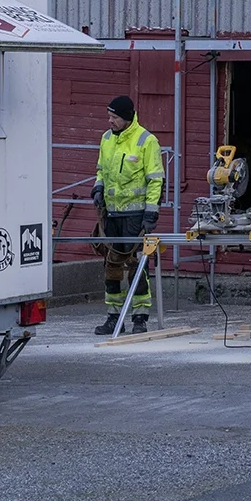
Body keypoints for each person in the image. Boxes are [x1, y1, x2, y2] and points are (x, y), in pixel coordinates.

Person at [94, 94, 162, 333]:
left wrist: (151, 214)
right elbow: (101, 169)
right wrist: (98, 187)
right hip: (112, 213)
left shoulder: (146, 140)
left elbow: (155, 180)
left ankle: (140, 317)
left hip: (135, 216)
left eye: (114, 117)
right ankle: (114, 317)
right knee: (112, 265)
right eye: (109, 116)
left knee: (136, 265)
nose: (110, 121)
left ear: (126, 118)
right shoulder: (106, 139)